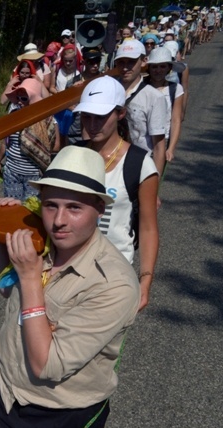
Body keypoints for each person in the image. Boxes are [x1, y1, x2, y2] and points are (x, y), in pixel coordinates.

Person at [0, 145, 140, 428]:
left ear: (100, 208)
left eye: (74, 207)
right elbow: (5, 288)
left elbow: (47, 366)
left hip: (57, 413)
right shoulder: (41, 240)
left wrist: (30, 278)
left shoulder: (114, 284)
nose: (59, 221)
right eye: (51, 205)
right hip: (1, 392)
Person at [73, 76, 159, 311]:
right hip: (68, 269)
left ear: (120, 113)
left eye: (100, 116)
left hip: (113, 275)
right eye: (86, 116)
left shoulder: (140, 164)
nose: (92, 124)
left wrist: (145, 280)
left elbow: (148, 228)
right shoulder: (71, 155)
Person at [0, 78, 57, 202]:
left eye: (24, 98)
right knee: (11, 208)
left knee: (30, 210)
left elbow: (55, 146)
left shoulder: (46, 119)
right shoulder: (13, 115)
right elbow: (6, 142)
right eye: (18, 98)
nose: (20, 102)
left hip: (33, 175)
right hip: (12, 172)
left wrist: (35, 142)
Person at [114, 39, 168, 177]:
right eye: (121, 62)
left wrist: (154, 185)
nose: (125, 68)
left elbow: (158, 145)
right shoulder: (109, 90)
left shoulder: (154, 97)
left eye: (131, 62)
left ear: (143, 61)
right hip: (111, 163)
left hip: (139, 166)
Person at [146, 48, 185, 163]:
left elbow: (175, 120)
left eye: (162, 66)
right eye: (154, 66)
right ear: (149, 68)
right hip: (140, 141)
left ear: (169, 68)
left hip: (163, 139)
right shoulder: (140, 87)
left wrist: (171, 148)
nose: (158, 70)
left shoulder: (175, 89)